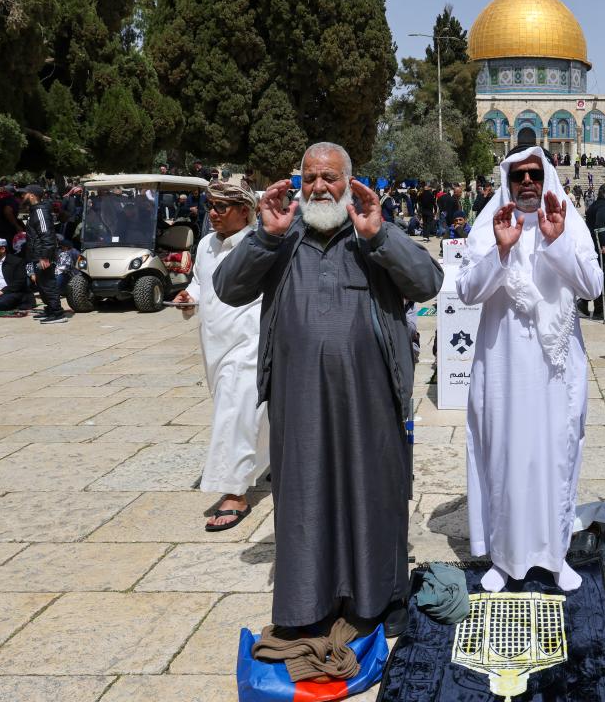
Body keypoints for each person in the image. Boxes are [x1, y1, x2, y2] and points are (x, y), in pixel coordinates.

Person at [213, 142, 443, 635]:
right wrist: (264, 238)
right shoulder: (280, 233)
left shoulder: (371, 230)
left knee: (374, 493)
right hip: (298, 398)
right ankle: (307, 605)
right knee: (305, 498)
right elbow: (228, 289)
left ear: (349, 183)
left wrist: (380, 235)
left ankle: (379, 598)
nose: (320, 187)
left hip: (371, 397)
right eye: (310, 177)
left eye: (330, 177)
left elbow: (427, 282)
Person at [457, 145, 604, 593]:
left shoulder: (567, 222)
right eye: (518, 175)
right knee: (504, 455)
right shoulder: (491, 225)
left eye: (534, 175)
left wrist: (557, 243)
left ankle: (555, 556)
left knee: (556, 455)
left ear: (546, 180)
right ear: (507, 181)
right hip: (503, 363)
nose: (526, 182)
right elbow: (467, 291)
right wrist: (501, 252)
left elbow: (593, 286)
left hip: (556, 369)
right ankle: (503, 559)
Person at [172, 180, 270, 531]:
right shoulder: (205, 245)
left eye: (221, 207)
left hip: (250, 343)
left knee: (235, 412)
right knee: (247, 413)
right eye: (210, 206)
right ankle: (268, 463)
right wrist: (189, 298)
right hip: (214, 344)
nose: (212, 213)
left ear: (244, 211)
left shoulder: (260, 245)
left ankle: (233, 492)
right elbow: (200, 284)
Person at [23, 185, 66, 324]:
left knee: (48, 284)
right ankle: (50, 309)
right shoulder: (34, 211)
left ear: (32, 195)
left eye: (25, 194)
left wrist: (45, 256)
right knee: (41, 284)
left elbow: (47, 235)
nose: (22, 197)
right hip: (37, 254)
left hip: (43, 255)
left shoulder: (40, 211)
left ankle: (57, 313)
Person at [580, 183, 605, 321]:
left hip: (595, 247)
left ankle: (583, 303)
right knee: (604, 279)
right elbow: (599, 225)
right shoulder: (604, 206)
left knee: (595, 277)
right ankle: (599, 310)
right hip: (603, 250)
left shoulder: (594, 205)